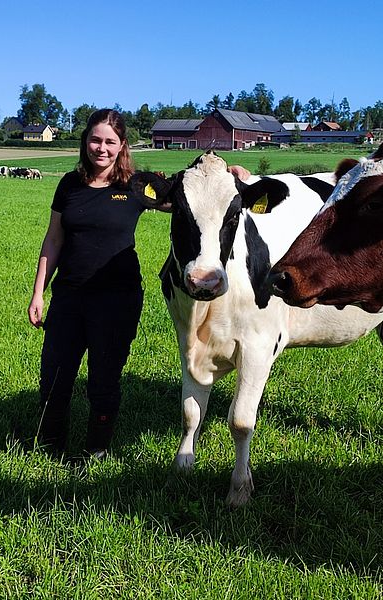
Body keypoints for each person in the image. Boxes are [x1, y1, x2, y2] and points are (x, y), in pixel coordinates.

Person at [28, 108, 250, 459]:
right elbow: (53, 240)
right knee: (54, 377)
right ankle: (49, 447)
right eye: (95, 140)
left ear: (122, 146)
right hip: (69, 297)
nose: (101, 148)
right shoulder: (69, 184)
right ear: (85, 141)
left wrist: (229, 179)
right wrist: (39, 292)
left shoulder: (134, 186)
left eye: (110, 142)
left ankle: (95, 451)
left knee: (103, 379)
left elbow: (195, 200)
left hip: (117, 299)